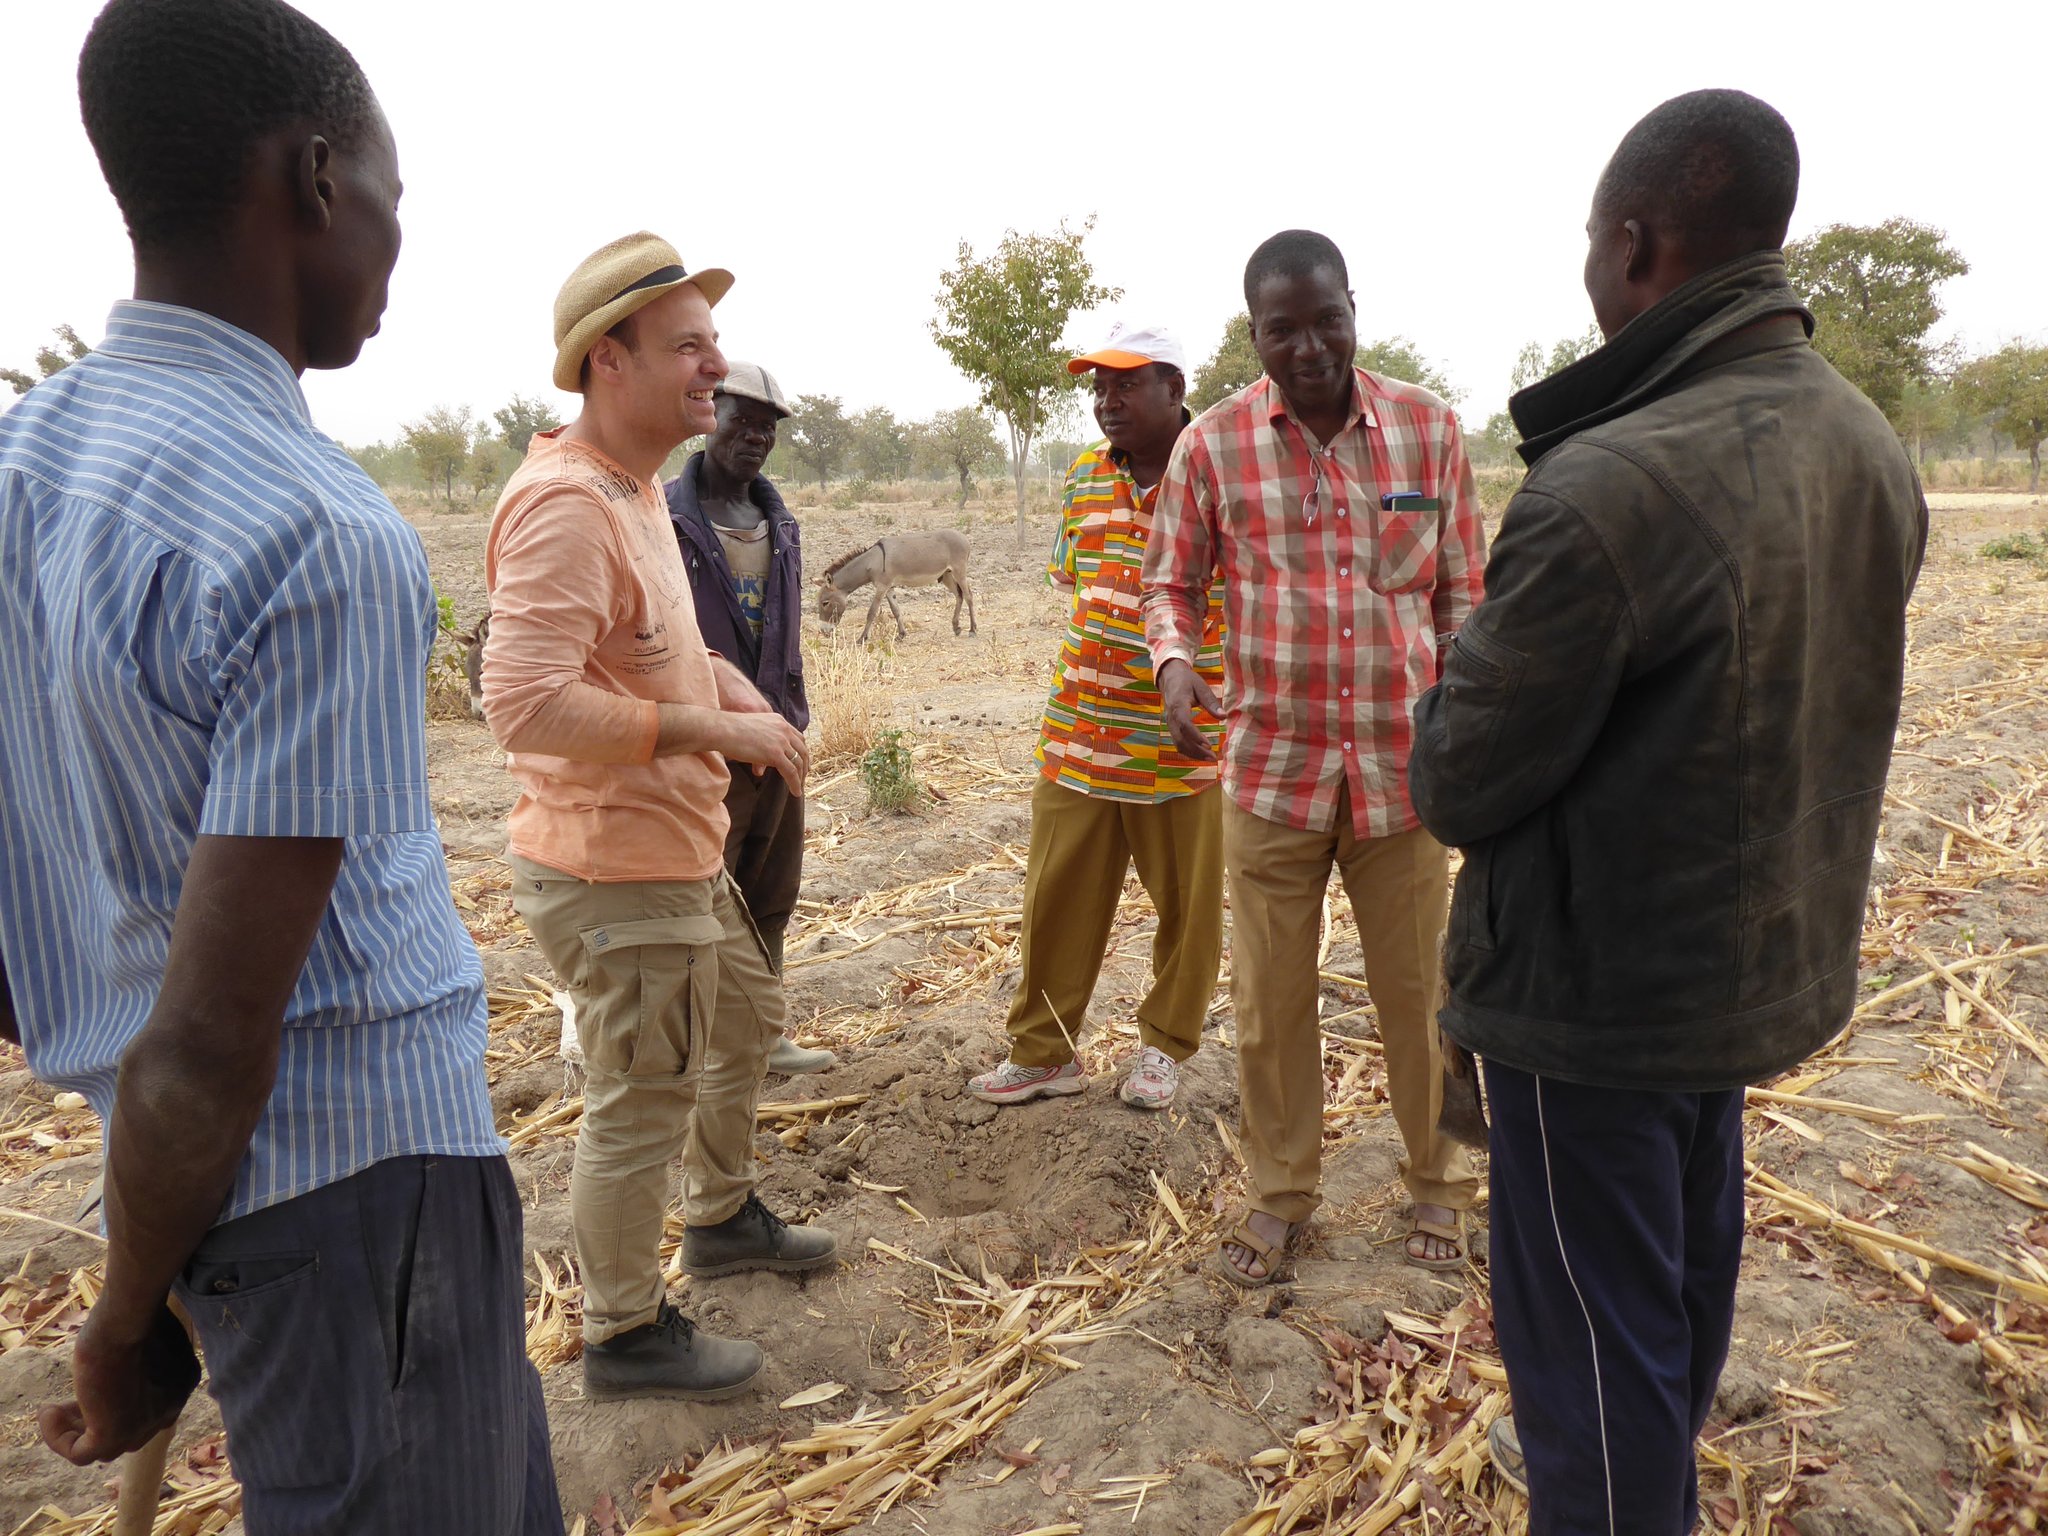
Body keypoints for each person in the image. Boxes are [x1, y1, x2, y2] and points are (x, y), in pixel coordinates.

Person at [0, 2, 562, 1531]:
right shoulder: (314, 532)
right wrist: (123, 1319)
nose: (396, 242)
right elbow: (208, 1047)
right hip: (362, 1198)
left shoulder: (21, 471)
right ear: (317, 179)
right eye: (391, 194)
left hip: (197, 1192)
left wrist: (156, 1232)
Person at [1409, 90, 1926, 1534]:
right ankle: (1640, 1470)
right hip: (1746, 978)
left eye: (1593, 239)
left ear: (1633, 244)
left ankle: (1619, 1495)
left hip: (1594, 1007)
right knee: (1677, 1283)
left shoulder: (1604, 487)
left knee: (1590, 1347)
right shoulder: (1866, 443)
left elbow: (1457, 781)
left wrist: (1449, 667)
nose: (1589, 264)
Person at [483, 233, 838, 1403]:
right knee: (640, 1103)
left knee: (745, 1019)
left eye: (712, 342)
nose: (714, 366)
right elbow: (523, 703)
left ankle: (722, 1217)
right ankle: (623, 1332)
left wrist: (728, 687)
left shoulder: (631, 488)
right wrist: (712, 732)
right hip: (616, 867)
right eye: (688, 346)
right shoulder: (566, 507)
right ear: (608, 359)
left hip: (673, 853)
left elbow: (653, 649)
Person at [1143, 232, 1484, 1281]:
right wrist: (1173, 664)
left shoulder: (1427, 428)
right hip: (1271, 775)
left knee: (1421, 998)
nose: (1308, 347)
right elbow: (1169, 584)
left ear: (1352, 310)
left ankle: (1437, 1186)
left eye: (1325, 321)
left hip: (1400, 772)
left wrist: (1466, 719)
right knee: (1270, 1008)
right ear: (1253, 334)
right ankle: (1281, 1195)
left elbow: (1463, 594)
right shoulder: (1211, 446)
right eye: (1281, 329)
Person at [968, 324, 1225, 1112]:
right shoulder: (1084, 475)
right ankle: (1043, 1053)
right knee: (1055, 901)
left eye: (1126, 385)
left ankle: (1165, 1047)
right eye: (1098, 388)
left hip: (1179, 742)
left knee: (1188, 910)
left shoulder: (1220, 475)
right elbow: (1074, 579)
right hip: (1079, 733)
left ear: (1175, 389)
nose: (1106, 402)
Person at [665, 364, 834, 1077]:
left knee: (770, 893)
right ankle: (700, 1050)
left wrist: (785, 723)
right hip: (704, 744)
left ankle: (762, 1037)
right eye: (742, 420)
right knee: (704, 903)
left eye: (768, 427)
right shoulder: (665, 518)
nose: (756, 436)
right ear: (710, 416)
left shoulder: (780, 523)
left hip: (778, 738)